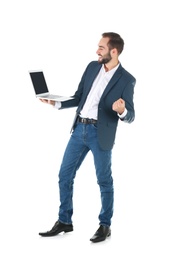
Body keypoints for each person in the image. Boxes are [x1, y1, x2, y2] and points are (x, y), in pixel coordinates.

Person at [38, 32, 136, 243]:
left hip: (100, 134)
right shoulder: (92, 67)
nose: (96, 51)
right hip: (79, 130)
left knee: (103, 181)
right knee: (64, 175)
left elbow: (131, 116)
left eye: (101, 47)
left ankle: (105, 225)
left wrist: (122, 111)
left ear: (114, 51)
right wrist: (55, 102)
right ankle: (64, 221)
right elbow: (79, 97)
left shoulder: (127, 80)